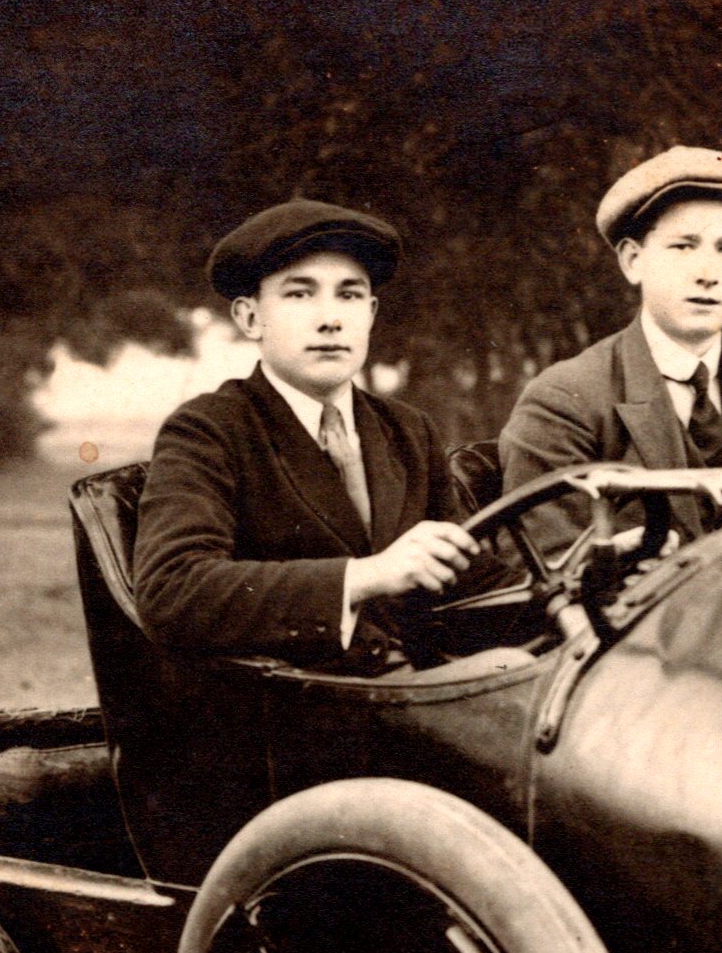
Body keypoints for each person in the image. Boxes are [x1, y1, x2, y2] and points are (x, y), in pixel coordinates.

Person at [134, 196, 474, 669]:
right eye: (299, 294)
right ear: (250, 318)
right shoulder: (210, 429)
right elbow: (172, 590)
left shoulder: (409, 430)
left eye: (349, 295)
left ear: (371, 313)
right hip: (289, 704)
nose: (330, 319)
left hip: (423, 690)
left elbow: (469, 575)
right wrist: (365, 576)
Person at [497, 146, 722, 549]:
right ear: (633, 261)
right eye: (683, 246)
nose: (707, 274)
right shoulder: (564, 398)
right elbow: (543, 563)